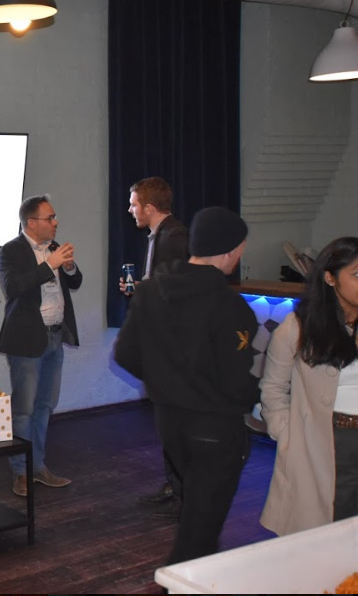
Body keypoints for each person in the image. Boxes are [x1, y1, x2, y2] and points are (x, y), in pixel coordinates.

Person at [114, 207, 258, 565]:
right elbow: (235, 382)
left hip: (169, 422)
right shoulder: (231, 306)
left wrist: (167, 383)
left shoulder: (150, 291)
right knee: (199, 536)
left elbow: (126, 354)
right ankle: (179, 585)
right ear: (229, 251)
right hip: (215, 427)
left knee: (196, 518)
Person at [260, 237, 358, 536]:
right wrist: (286, 434)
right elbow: (273, 387)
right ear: (330, 278)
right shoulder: (299, 326)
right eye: (357, 274)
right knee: (326, 529)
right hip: (324, 439)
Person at [0, 194, 82, 497]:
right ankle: (20, 471)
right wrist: (49, 265)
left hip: (55, 337)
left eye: (54, 217)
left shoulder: (54, 248)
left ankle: (38, 466)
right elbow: (13, 288)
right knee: (24, 410)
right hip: (27, 340)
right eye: (50, 218)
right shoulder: (11, 251)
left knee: (45, 405)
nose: (56, 222)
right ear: (31, 223)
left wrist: (68, 267)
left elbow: (74, 282)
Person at [124, 176, 189, 516]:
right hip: (163, 341)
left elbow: (178, 292)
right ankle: (174, 484)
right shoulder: (159, 235)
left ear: (149, 207)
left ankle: (184, 492)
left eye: (134, 204)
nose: (130, 210)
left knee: (176, 421)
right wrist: (141, 289)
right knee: (166, 420)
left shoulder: (174, 237)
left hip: (173, 345)